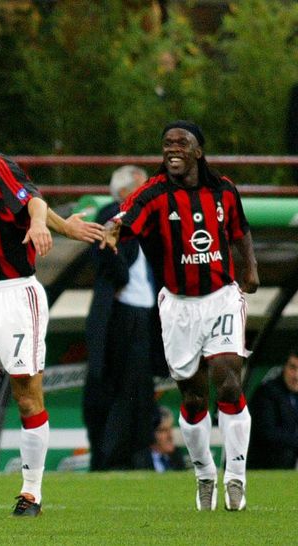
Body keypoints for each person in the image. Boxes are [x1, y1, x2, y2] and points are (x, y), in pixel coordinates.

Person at [0, 105, 103, 518]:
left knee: (27, 396)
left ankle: (32, 492)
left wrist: (41, 224)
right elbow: (28, 206)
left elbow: (32, 200)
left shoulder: (0, 170)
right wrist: (63, 225)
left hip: (14, 296)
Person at [102, 120, 259, 511]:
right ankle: (205, 472)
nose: (172, 148)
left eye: (181, 142)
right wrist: (113, 229)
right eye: (166, 143)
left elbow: (240, 230)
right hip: (178, 305)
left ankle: (236, 477)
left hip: (222, 296)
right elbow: (128, 216)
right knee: (192, 396)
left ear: (197, 151)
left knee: (227, 381)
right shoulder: (154, 193)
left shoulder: (223, 190)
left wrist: (250, 268)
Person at [83, 165, 165, 471]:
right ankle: (114, 456)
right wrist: (118, 277)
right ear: (124, 192)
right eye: (142, 188)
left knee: (141, 389)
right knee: (122, 388)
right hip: (121, 315)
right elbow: (104, 251)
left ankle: (138, 452)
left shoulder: (149, 221)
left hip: (145, 314)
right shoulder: (112, 213)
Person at [248, 348, 298, 469]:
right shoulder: (267, 392)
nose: (296, 376)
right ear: (284, 368)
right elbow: (267, 433)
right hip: (263, 465)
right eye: (293, 368)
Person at [150, 405, 185, 472]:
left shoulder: (177, 456)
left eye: (171, 429)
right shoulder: (140, 461)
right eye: (163, 430)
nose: (170, 436)